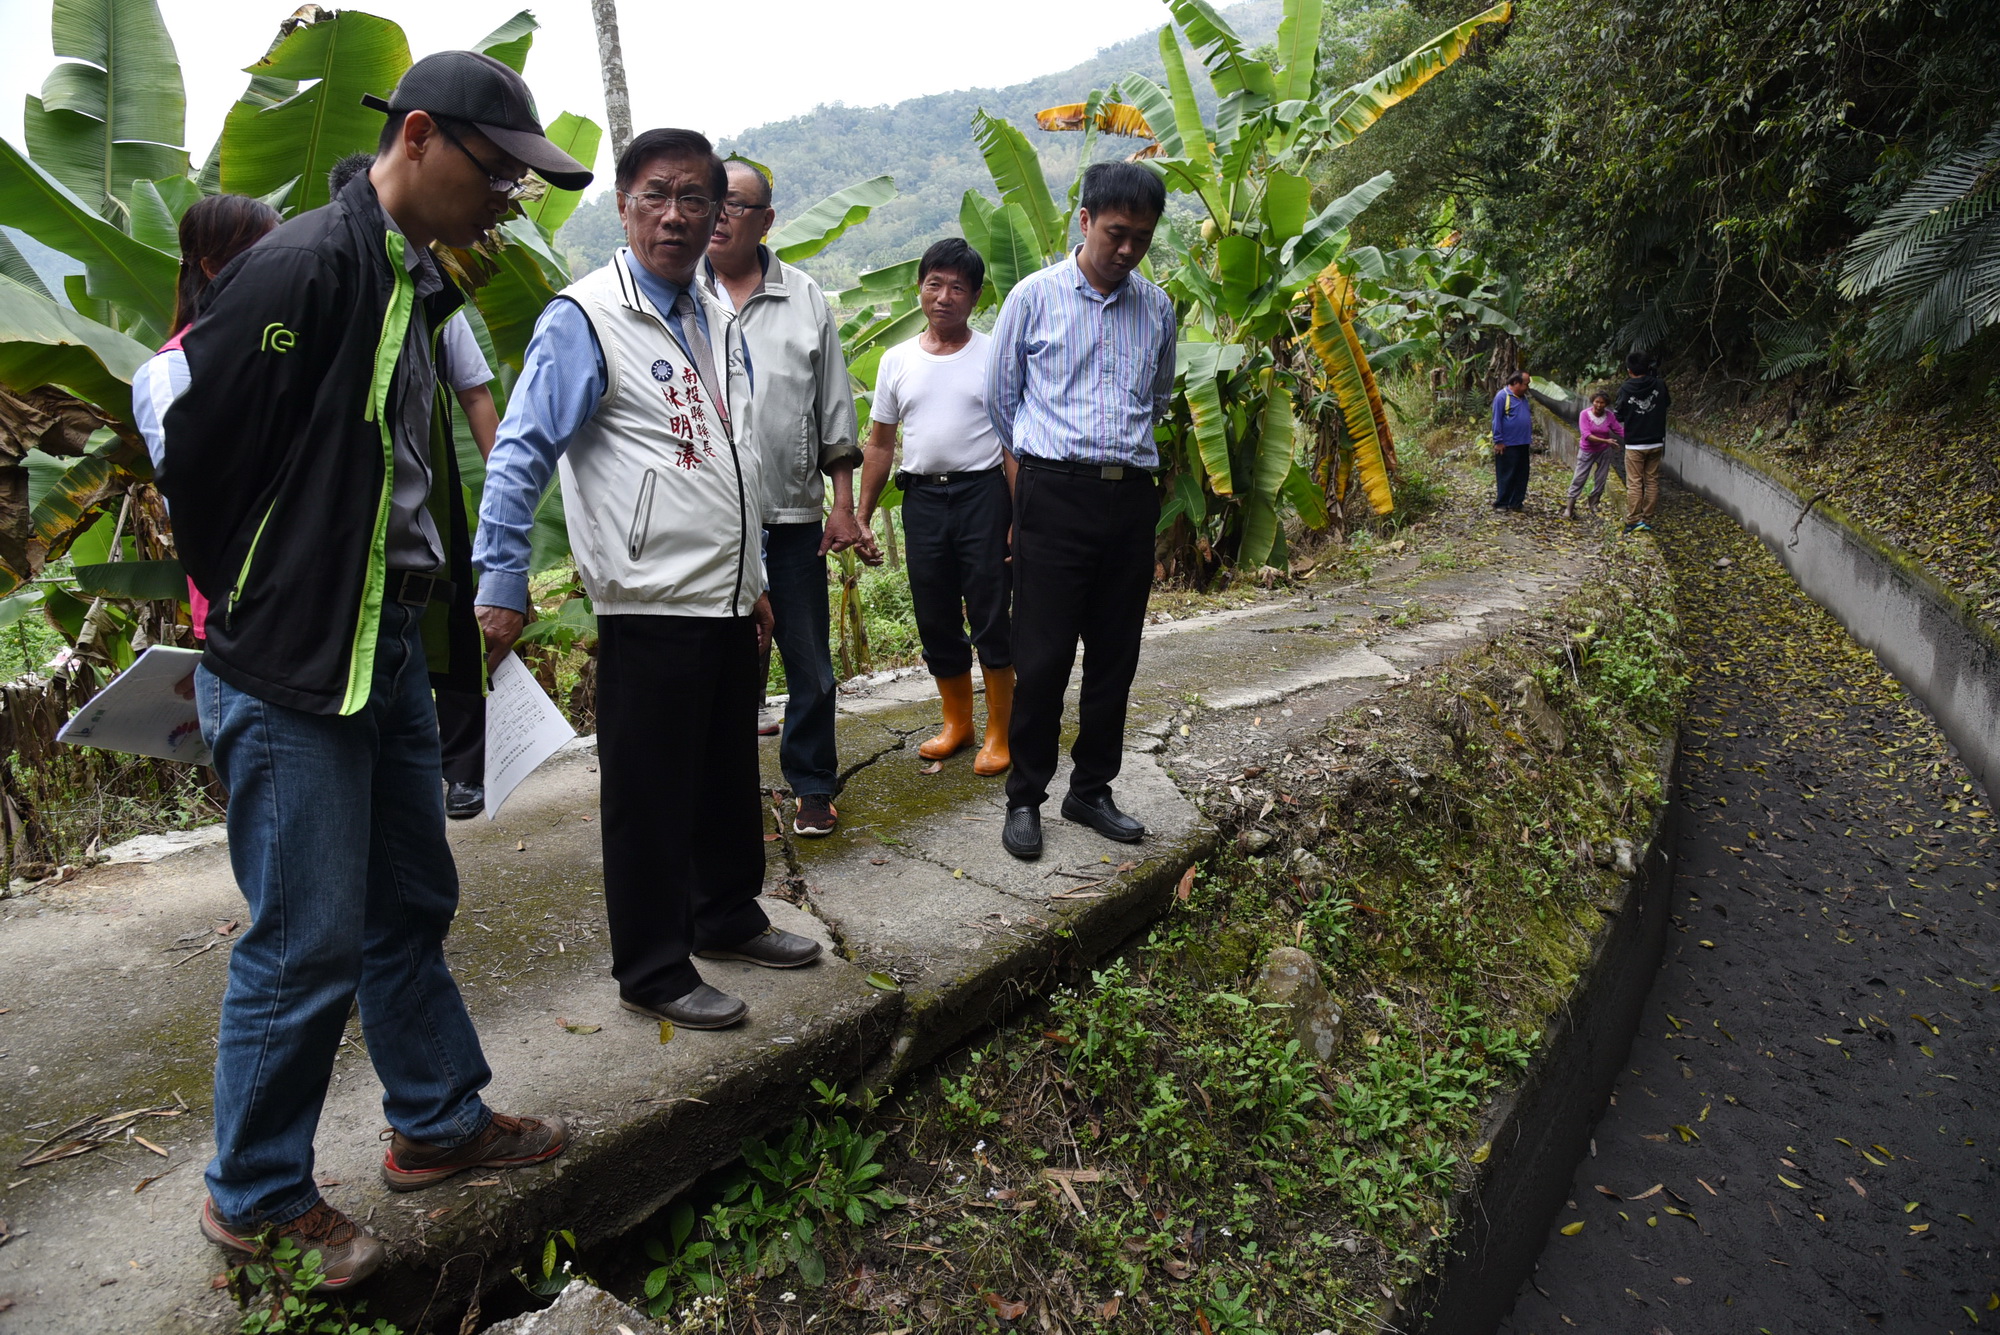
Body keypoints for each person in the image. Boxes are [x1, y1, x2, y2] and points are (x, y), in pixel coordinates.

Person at [160, 50, 591, 1287]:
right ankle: (253, 1194)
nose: (511, 198)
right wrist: (255, 600)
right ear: (417, 138)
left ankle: (438, 1120)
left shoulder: (409, 278)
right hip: (297, 659)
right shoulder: (302, 265)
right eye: (498, 171)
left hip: (387, 642)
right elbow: (197, 449)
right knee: (301, 937)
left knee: (409, 899)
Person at [473, 127, 822, 1034]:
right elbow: (520, 451)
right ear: (624, 205)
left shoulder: (711, 311)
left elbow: (731, 456)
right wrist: (501, 575)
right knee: (650, 792)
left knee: (720, 777)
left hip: (723, 595)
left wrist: (753, 580)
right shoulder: (586, 317)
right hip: (647, 597)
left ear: (719, 213)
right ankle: (654, 966)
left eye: (696, 198)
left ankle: (727, 916)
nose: (676, 214)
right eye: (656, 195)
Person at [987, 161, 1176, 861]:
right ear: (1086, 221)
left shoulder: (1155, 307)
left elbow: (1157, 397)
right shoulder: (1032, 298)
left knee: (1115, 656)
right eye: (1117, 234)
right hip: (1052, 492)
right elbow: (1001, 401)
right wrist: (1038, 478)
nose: (1127, 250)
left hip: (1129, 495)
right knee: (1040, 656)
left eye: (1142, 238)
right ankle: (1026, 795)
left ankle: (1090, 787)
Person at [329, 152, 500, 818]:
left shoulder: (434, 297)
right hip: (353, 507)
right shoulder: (328, 284)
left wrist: (503, 492)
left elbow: (476, 396)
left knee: (455, 630)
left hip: (431, 496)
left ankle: (462, 770)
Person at [702, 160, 864, 837]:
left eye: (733, 204)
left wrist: (843, 502)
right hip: (710, 518)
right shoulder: (680, 290)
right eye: (712, 200)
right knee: (720, 660)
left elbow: (834, 406)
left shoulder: (803, 297)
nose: (716, 215)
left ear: (766, 220)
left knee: (809, 660)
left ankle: (813, 782)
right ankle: (723, 787)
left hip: (792, 516)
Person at [856, 239, 1013, 775]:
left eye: (957, 288)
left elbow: (1014, 441)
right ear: (919, 288)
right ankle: (957, 724)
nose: (944, 297)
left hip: (983, 495)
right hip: (922, 498)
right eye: (934, 284)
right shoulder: (897, 360)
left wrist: (1020, 516)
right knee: (935, 615)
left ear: (974, 297)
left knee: (991, 612)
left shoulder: (993, 353)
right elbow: (879, 444)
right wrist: (861, 514)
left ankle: (998, 731)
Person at [131, 193, 282, 643]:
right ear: (213, 267)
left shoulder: (287, 347)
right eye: (264, 253)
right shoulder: (172, 371)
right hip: (242, 610)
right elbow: (194, 496)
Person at [1614, 351, 1670, 532]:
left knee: (1635, 482)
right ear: (1648, 367)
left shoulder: (1625, 388)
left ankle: (1633, 520)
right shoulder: (1660, 385)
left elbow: (1619, 414)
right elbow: (1666, 403)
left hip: (1635, 443)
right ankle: (1647, 518)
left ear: (1629, 370)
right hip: (1656, 441)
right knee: (1652, 480)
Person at [1565, 389, 1624, 520]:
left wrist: (1635, 439)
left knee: (1601, 478)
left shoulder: (1609, 416)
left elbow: (1619, 430)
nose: (1599, 405)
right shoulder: (1584, 414)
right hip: (1587, 450)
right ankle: (1569, 508)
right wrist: (1606, 440)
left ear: (1606, 404)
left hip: (1604, 451)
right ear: (1592, 402)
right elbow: (1586, 435)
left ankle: (1594, 504)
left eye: (1602, 403)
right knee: (1579, 478)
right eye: (1597, 402)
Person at [1491, 370, 1534, 511]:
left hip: (1523, 442)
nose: (1527, 387)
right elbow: (1496, 419)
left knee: (1522, 474)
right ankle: (1502, 503)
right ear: (1516, 383)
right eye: (1525, 384)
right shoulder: (1502, 397)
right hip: (1508, 444)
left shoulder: (1523, 398)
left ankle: (1516, 503)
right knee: (1506, 474)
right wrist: (1498, 441)